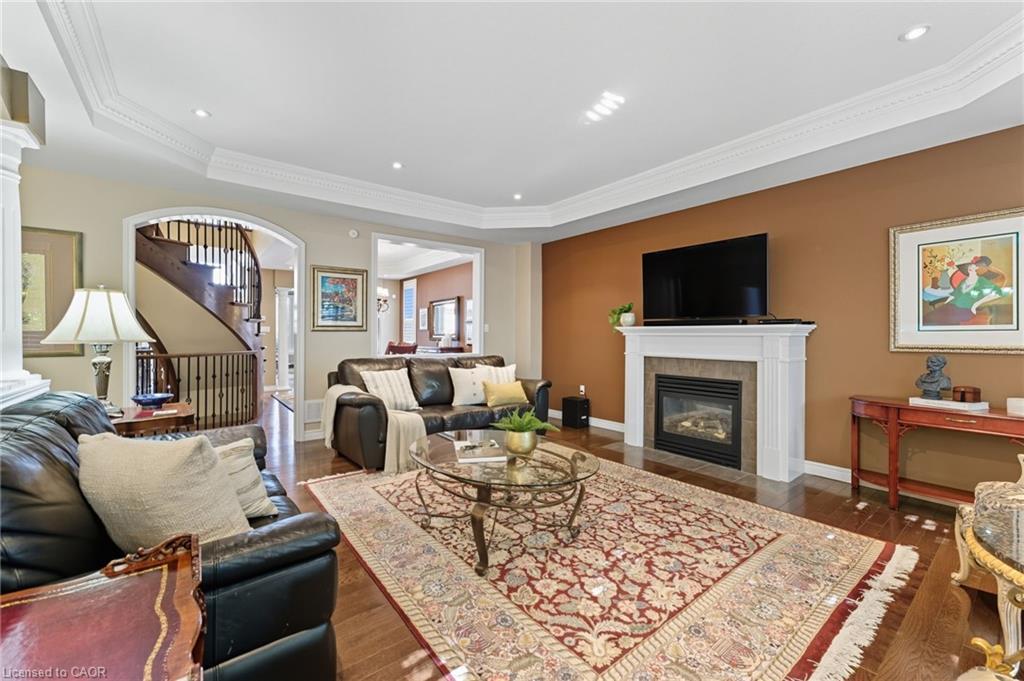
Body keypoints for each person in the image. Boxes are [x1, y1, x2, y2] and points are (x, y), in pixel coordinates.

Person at [923, 255, 1009, 325]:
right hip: (951, 308)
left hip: (961, 311)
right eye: (972, 267)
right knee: (929, 319)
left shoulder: (983, 282)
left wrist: (990, 268)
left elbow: (1003, 279)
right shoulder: (965, 280)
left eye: (977, 266)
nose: (974, 268)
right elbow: (954, 295)